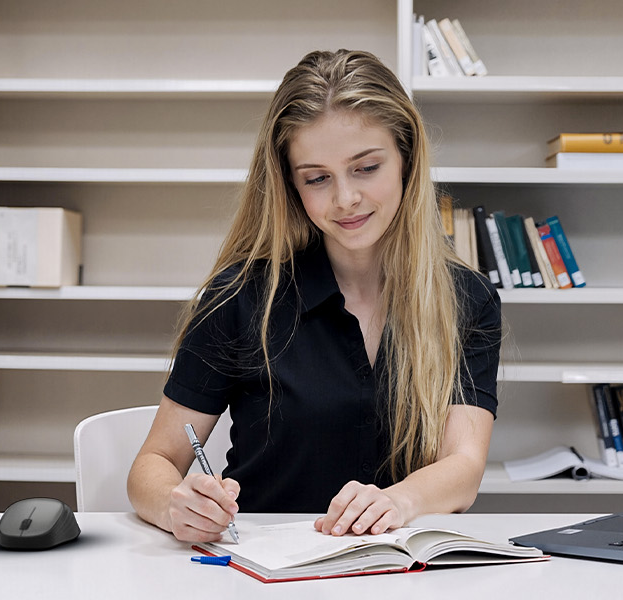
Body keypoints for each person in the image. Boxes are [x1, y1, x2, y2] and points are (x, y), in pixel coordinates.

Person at [127, 49, 502, 544]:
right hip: (262, 572)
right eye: (317, 178)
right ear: (290, 185)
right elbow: (152, 466)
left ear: (407, 160)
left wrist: (397, 500)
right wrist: (177, 506)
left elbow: (464, 466)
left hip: (403, 571)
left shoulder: (467, 298)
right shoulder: (240, 297)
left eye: (366, 167)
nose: (345, 198)